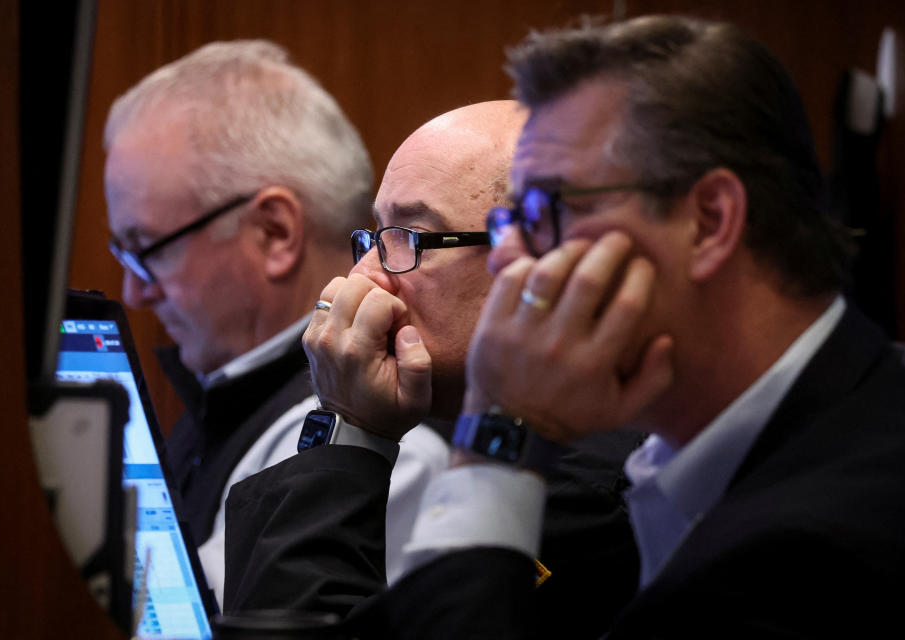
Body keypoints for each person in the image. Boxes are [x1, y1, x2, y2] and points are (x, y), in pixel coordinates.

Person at [236, 15, 905, 638]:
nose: (510, 258)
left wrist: (493, 442)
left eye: (543, 216)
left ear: (707, 221)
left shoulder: (817, 549)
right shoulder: (691, 463)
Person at [223, 101, 644, 625]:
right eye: (375, 238)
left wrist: (350, 428)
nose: (365, 278)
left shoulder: (577, 493)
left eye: (412, 238)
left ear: (544, 267)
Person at [102, 39, 448, 607]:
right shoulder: (226, 394)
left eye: (147, 250)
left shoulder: (385, 446)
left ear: (276, 233)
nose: (134, 292)